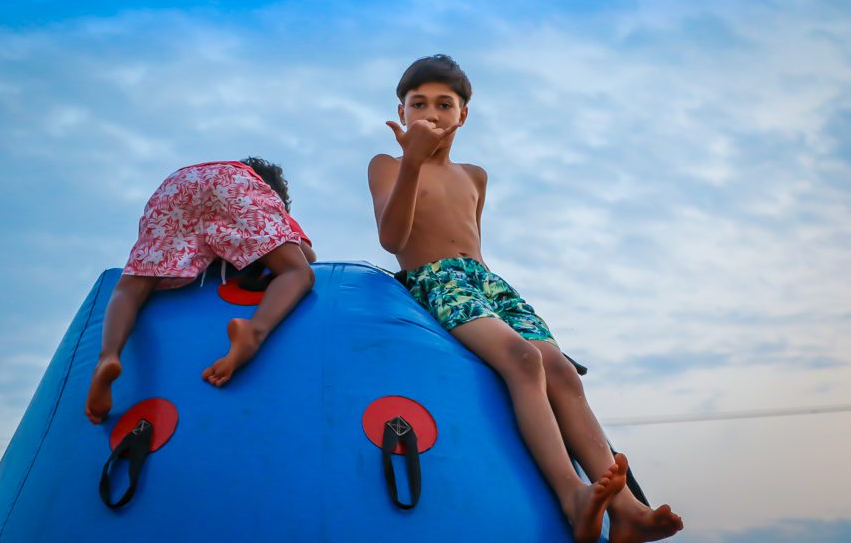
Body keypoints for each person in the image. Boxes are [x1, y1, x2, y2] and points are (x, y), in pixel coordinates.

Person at [368, 55, 683, 543]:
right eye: (418, 103)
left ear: (463, 114)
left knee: (559, 371)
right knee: (521, 359)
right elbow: (393, 238)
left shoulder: (475, 176)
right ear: (401, 111)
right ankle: (571, 492)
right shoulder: (387, 165)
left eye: (444, 104)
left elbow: (472, 244)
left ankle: (627, 511)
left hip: (487, 282)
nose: (431, 112)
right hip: (434, 279)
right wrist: (412, 161)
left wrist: (493, 299)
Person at [85, 158, 316, 424]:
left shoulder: (201, 174)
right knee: (296, 272)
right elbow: (307, 255)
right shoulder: (254, 187)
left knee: (130, 286)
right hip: (233, 184)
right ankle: (253, 333)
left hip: (175, 186)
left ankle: (108, 356)